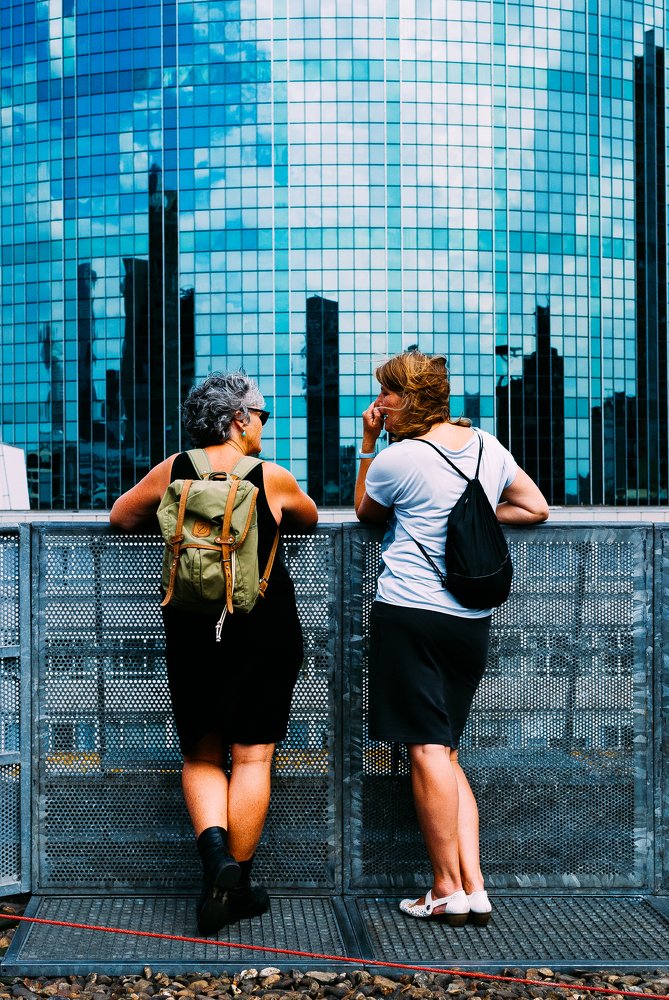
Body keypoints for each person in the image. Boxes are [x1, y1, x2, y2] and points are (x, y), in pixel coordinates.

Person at [110, 372, 318, 935]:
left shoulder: (172, 470)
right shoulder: (270, 477)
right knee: (252, 757)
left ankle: (215, 860)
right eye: (261, 416)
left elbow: (120, 517)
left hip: (192, 627)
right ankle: (234, 886)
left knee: (203, 755)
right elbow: (310, 517)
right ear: (238, 421)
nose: (263, 427)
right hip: (263, 627)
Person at [354, 351, 549, 927]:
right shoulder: (488, 447)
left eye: (385, 395)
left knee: (426, 748)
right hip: (469, 617)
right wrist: (481, 515)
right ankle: (474, 886)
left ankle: (444, 888)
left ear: (406, 399)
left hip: (409, 613)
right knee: (446, 749)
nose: (379, 405)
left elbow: (366, 513)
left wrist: (368, 445)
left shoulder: (399, 459)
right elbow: (534, 507)